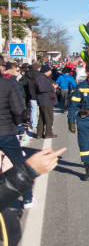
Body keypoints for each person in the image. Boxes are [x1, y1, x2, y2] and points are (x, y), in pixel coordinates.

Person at [0, 72, 35, 208]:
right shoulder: (8, 84)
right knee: (18, 165)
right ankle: (27, 198)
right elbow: (18, 109)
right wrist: (17, 123)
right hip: (6, 131)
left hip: (6, 129)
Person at [35, 65, 58, 139]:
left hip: (45, 100)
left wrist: (53, 84)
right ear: (46, 71)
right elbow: (42, 88)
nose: (51, 72)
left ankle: (39, 133)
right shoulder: (41, 78)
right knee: (49, 118)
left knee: (42, 117)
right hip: (45, 100)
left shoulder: (44, 77)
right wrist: (52, 87)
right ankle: (48, 133)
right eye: (49, 70)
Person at [22, 63, 40, 133]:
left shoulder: (26, 75)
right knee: (35, 109)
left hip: (28, 94)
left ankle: (33, 123)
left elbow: (21, 83)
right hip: (37, 94)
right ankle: (34, 123)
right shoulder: (38, 75)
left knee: (32, 109)